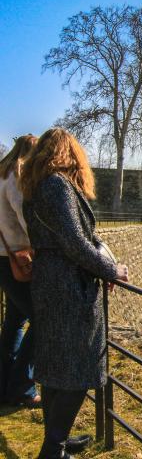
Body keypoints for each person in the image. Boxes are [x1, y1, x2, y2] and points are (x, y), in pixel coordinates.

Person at [21, 127, 129, 459]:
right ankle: (53, 448)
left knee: (56, 366)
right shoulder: (57, 185)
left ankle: (58, 442)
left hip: (50, 282)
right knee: (78, 367)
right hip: (68, 286)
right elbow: (75, 242)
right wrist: (112, 270)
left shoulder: (38, 186)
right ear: (70, 153)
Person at [0, 134, 38, 406]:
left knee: (15, 321)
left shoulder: (2, 173)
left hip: (5, 256)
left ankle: (6, 383)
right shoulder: (16, 174)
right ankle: (21, 387)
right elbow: (22, 213)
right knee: (43, 320)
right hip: (15, 258)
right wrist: (40, 241)